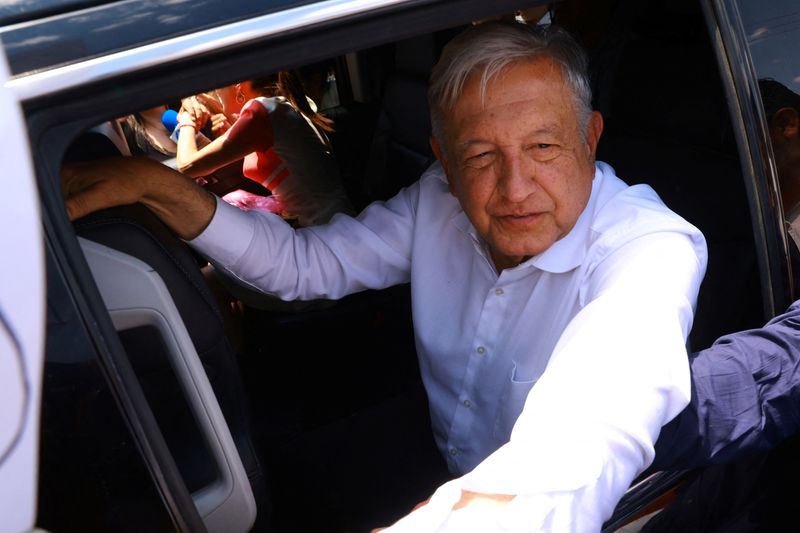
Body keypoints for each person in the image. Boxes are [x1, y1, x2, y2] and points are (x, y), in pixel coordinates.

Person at [61, 21, 707, 532]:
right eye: (481, 155)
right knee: (286, 482)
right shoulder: (438, 200)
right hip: (436, 449)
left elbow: (590, 432)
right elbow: (304, 265)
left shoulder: (648, 249)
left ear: (590, 139)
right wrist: (155, 185)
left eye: (543, 146)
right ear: (445, 162)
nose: (515, 187)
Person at [175, 70, 354, 227]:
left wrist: (186, 121)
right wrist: (190, 98)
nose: (215, 92)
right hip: (332, 222)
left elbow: (188, 166)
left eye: (217, 86)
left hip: (326, 229)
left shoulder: (263, 112)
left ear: (238, 85)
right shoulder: (281, 107)